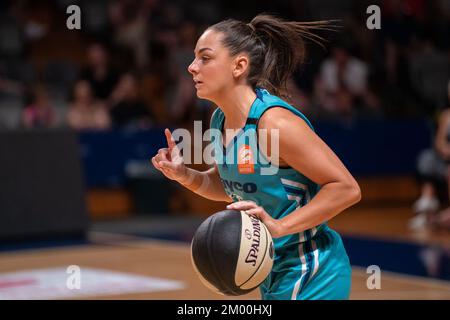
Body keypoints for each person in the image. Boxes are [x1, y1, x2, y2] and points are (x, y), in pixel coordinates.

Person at [151, 14, 361, 300]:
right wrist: (185, 175)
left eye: (205, 58)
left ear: (239, 66)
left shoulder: (275, 124)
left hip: (311, 267)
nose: (191, 67)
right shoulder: (218, 120)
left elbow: (346, 188)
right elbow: (230, 187)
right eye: (194, 58)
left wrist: (279, 227)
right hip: (271, 269)